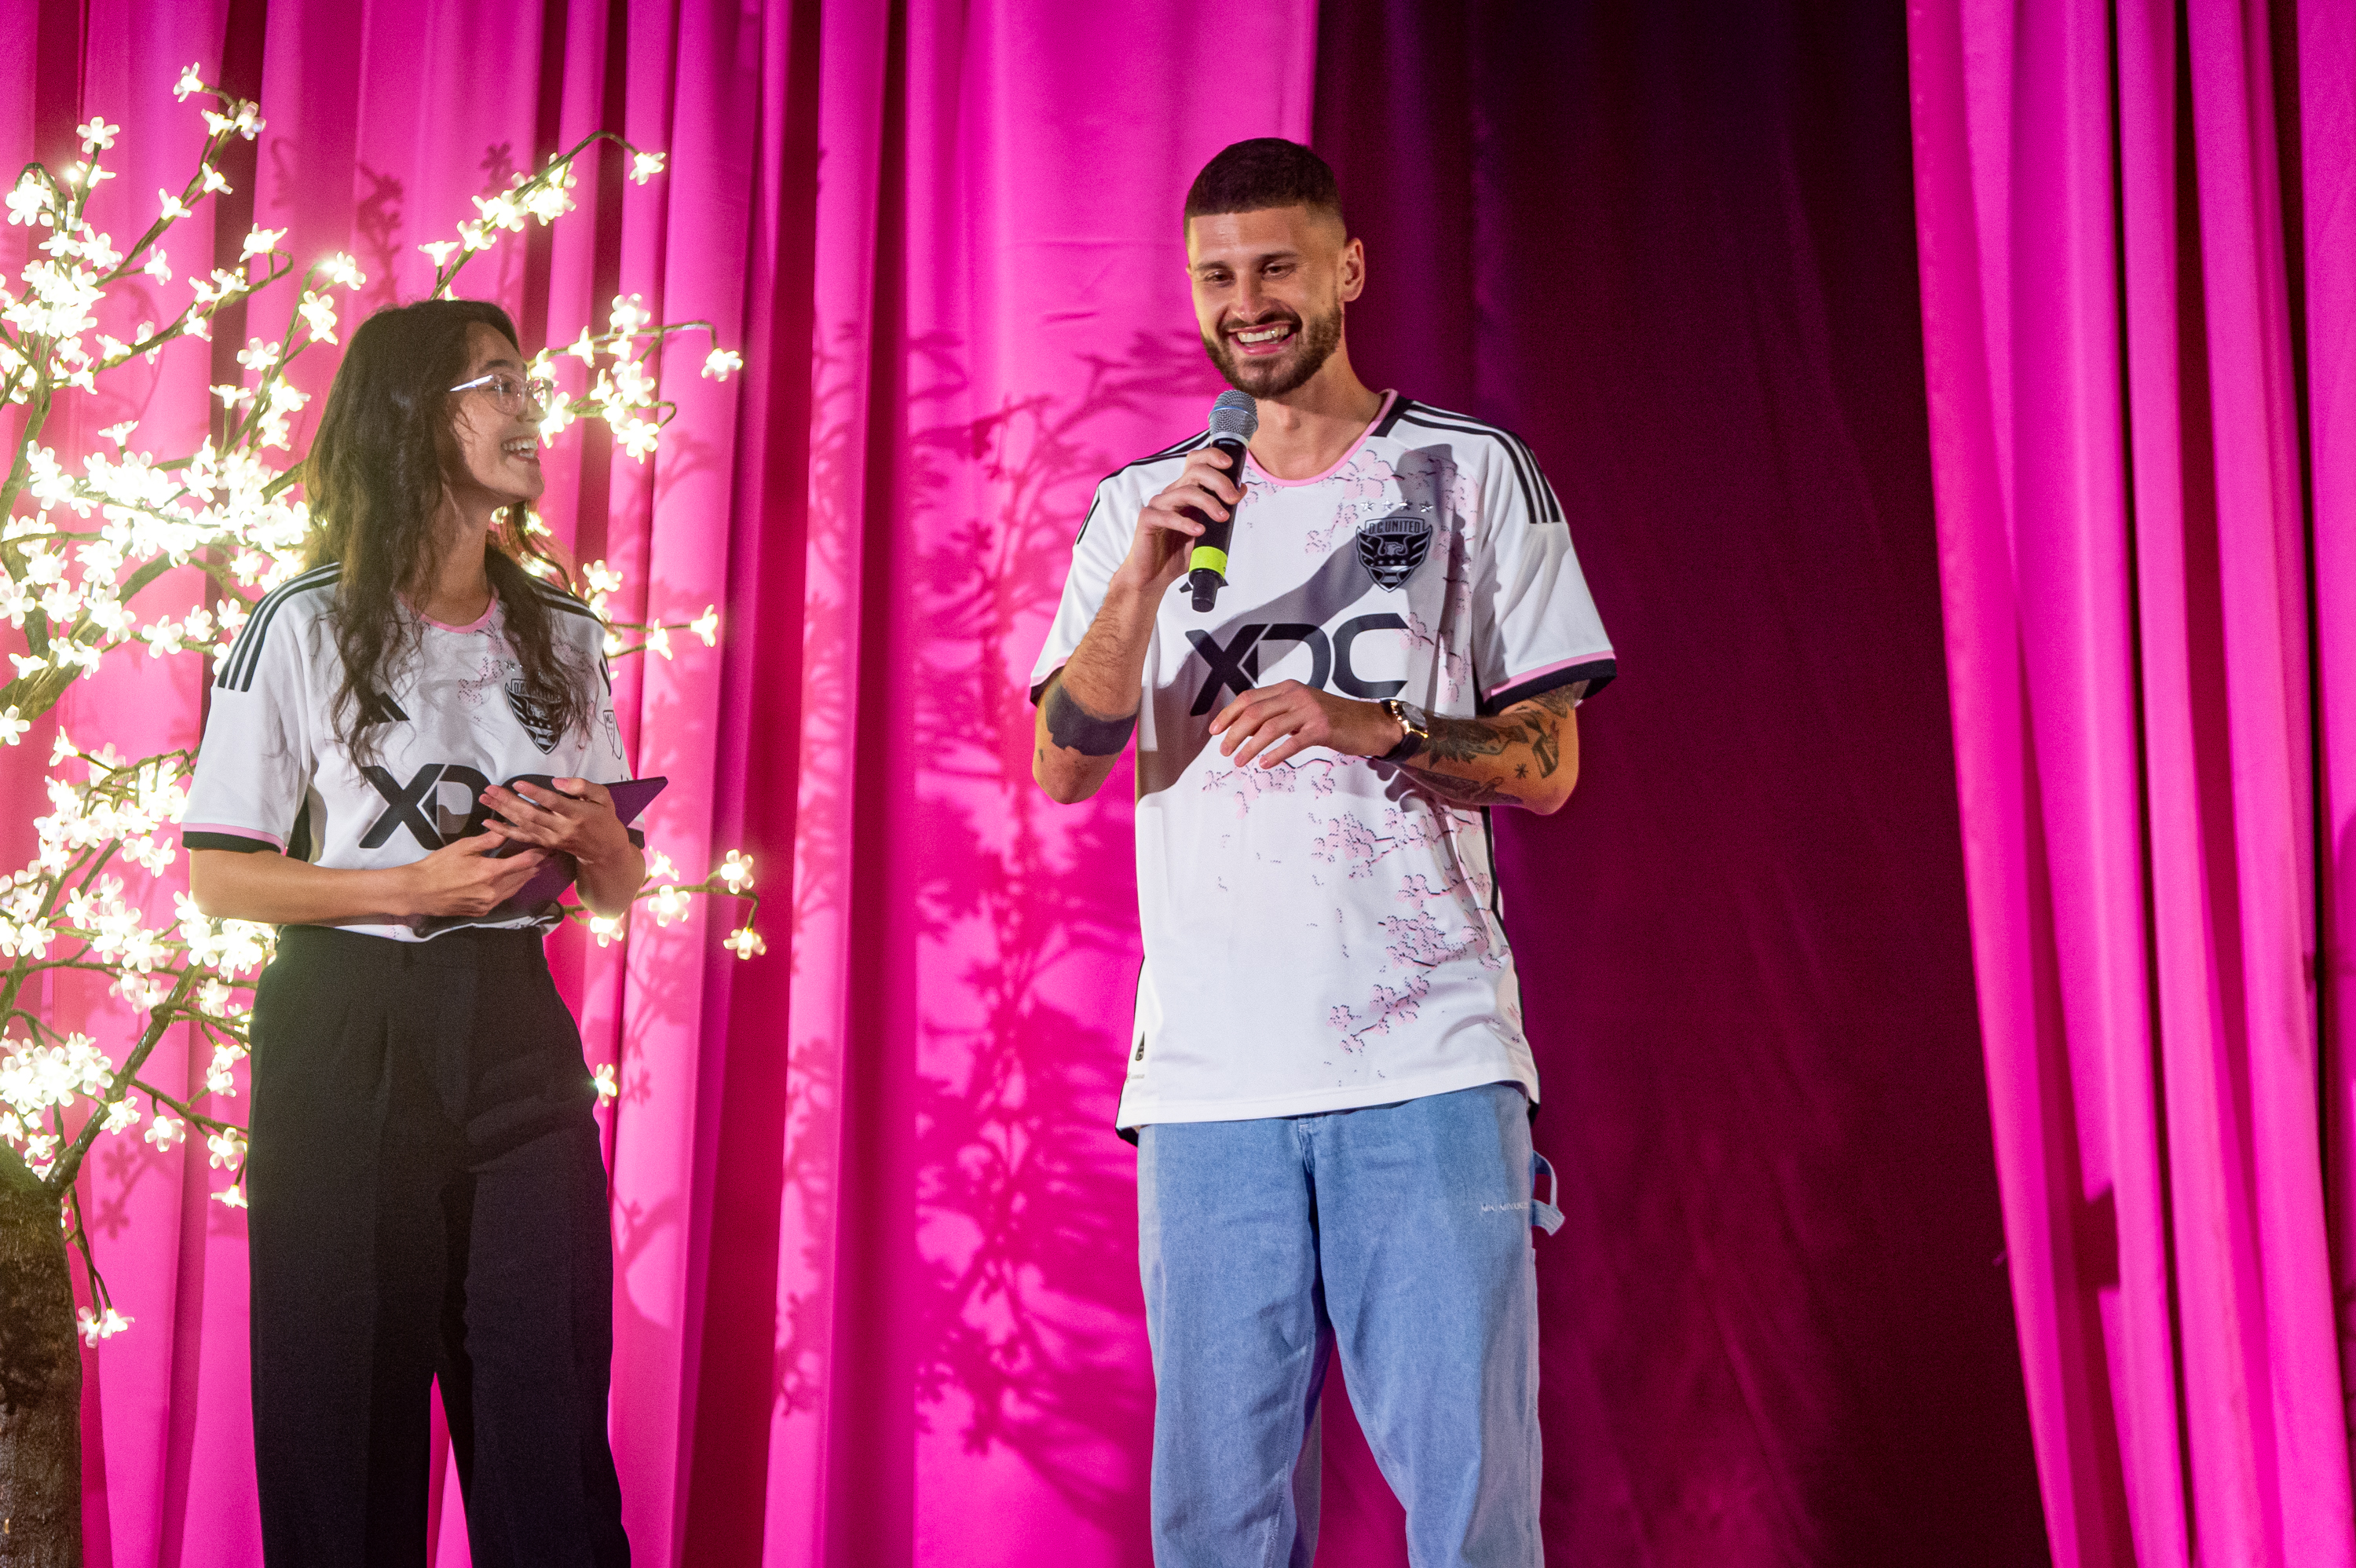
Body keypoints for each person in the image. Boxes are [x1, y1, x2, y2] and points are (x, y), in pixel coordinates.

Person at [1027, 138, 1615, 1566]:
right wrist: (1141, 581)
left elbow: (1547, 765)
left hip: (1428, 1062)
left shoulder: (1473, 473)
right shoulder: (1140, 506)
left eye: (1278, 266)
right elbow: (1061, 762)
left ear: (1347, 270)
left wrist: (1380, 725)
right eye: (1219, 276)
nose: (1249, 302)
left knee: (1472, 1512)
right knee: (1217, 1528)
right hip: (1212, 1082)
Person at [185, 299, 645, 1566]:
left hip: (516, 1038)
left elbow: (612, 886)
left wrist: (605, 848)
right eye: (496, 384)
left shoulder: (564, 634)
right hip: (345, 1038)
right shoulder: (299, 623)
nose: (528, 408)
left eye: (524, 382)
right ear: (413, 418)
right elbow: (221, 877)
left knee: (548, 1435)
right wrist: (405, 890)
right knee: (344, 1443)